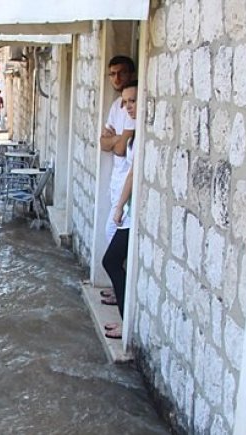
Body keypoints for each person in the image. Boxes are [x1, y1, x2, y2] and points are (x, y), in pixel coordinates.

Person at [102, 80, 138, 339]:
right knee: (113, 261)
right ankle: (125, 322)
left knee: (111, 261)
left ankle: (127, 326)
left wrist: (119, 207)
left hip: (132, 213)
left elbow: (131, 170)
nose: (128, 107)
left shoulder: (139, 133)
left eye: (133, 101)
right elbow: (110, 146)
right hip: (128, 210)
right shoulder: (135, 132)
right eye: (125, 103)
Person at [99, 55, 136, 305]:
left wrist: (116, 141)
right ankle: (119, 291)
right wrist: (116, 140)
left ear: (131, 74)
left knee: (113, 249)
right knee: (111, 240)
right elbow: (104, 143)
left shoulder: (133, 109)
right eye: (112, 74)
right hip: (117, 183)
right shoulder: (116, 105)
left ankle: (122, 298)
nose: (116, 78)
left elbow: (121, 149)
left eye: (121, 73)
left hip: (127, 188)